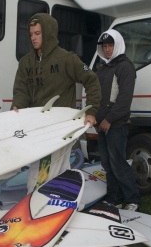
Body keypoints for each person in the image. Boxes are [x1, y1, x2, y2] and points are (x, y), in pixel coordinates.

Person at [12, 13, 101, 192]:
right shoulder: (26, 62)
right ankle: (62, 195)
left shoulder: (66, 59)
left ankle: (36, 196)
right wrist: (17, 107)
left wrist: (91, 111)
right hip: (36, 126)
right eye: (31, 34)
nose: (33, 38)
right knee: (54, 166)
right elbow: (21, 89)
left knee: (45, 169)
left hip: (60, 126)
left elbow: (91, 80)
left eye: (38, 33)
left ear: (49, 33)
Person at [94, 30, 141, 212]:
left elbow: (124, 100)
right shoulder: (103, 68)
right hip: (102, 125)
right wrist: (97, 120)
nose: (107, 49)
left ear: (118, 45)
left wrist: (108, 120)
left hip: (116, 125)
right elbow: (98, 96)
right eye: (104, 46)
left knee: (118, 162)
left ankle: (133, 199)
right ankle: (114, 198)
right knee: (107, 163)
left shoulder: (125, 67)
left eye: (110, 45)